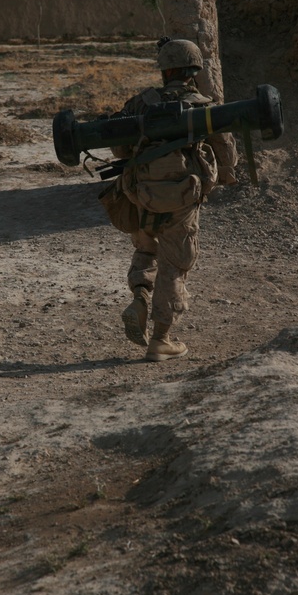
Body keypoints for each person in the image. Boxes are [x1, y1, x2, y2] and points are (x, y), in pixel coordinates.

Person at [110, 37, 219, 362]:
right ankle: (161, 339)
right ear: (193, 70)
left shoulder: (141, 103)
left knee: (146, 249)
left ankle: (141, 296)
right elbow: (225, 149)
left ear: (164, 70)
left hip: (140, 194)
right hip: (182, 197)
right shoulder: (204, 105)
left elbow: (119, 147)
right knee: (174, 265)